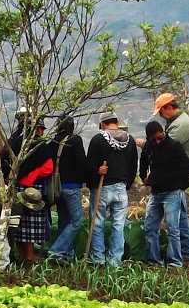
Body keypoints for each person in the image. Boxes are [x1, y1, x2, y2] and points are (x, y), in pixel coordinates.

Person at [149, 92, 189, 264]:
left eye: (161, 112)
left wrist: (146, 145)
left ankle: (177, 258)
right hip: (175, 178)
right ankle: (186, 253)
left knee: (174, 225)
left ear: (169, 108)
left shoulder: (180, 125)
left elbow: (166, 148)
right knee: (181, 217)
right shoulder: (178, 122)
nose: (161, 116)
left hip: (175, 178)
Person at [86, 113, 136, 266]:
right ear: (117, 122)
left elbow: (90, 165)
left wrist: (93, 178)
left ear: (102, 124)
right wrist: (126, 185)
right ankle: (114, 261)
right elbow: (133, 166)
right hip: (121, 188)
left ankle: (98, 258)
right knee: (118, 225)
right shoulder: (130, 140)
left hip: (102, 188)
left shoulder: (98, 139)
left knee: (97, 223)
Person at [142, 119, 189, 267]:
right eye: (154, 139)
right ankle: (153, 260)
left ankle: (175, 262)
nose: (157, 142)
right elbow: (143, 162)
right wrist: (143, 177)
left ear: (163, 133)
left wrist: (180, 187)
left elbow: (187, 170)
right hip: (156, 193)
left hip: (172, 192)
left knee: (173, 228)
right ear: (149, 138)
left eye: (160, 138)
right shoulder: (149, 148)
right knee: (150, 227)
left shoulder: (174, 146)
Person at [9, 121, 55, 264]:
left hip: (16, 186)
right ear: (38, 130)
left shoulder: (17, 143)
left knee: (18, 222)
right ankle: (29, 256)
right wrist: (33, 174)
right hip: (33, 189)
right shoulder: (42, 147)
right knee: (30, 223)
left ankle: (22, 255)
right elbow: (48, 168)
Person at [45, 116, 90, 262]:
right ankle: (56, 250)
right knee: (76, 221)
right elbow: (82, 161)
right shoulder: (75, 140)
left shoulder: (53, 142)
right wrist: (92, 174)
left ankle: (67, 255)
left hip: (56, 188)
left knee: (64, 221)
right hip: (72, 187)